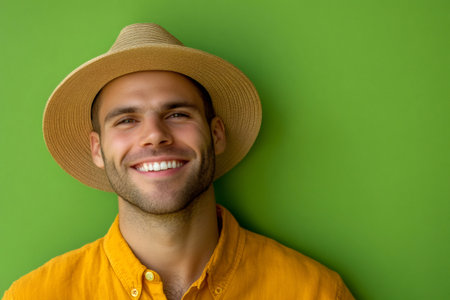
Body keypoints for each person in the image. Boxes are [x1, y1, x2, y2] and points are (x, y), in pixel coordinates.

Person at [2, 23, 354, 300]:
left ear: (216, 135)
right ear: (97, 149)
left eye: (177, 114)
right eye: (127, 120)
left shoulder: (314, 292)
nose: (154, 135)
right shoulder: (35, 296)